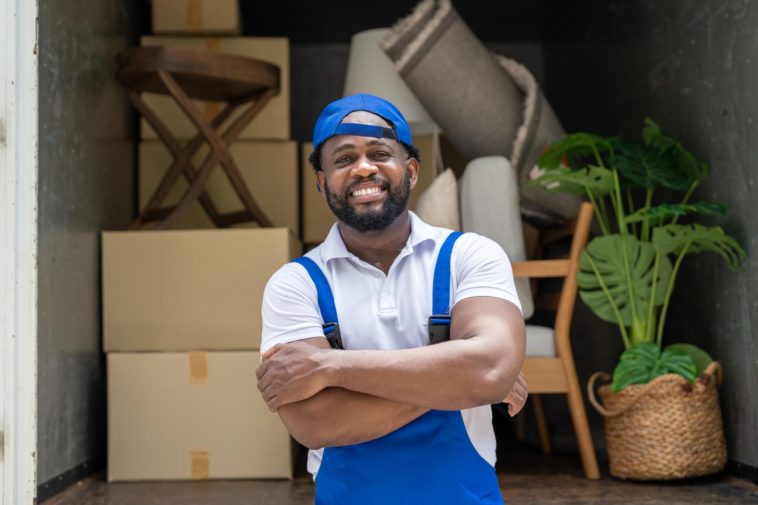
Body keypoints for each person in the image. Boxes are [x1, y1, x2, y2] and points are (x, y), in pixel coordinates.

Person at [256, 93, 527, 505]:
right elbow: (313, 421)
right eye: (343, 159)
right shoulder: (295, 284)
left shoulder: (469, 256)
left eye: (380, 153)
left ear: (411, 170)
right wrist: (462, 379)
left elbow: (490, 371)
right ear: (322, 181)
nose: (364, 167)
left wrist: (328, 366)